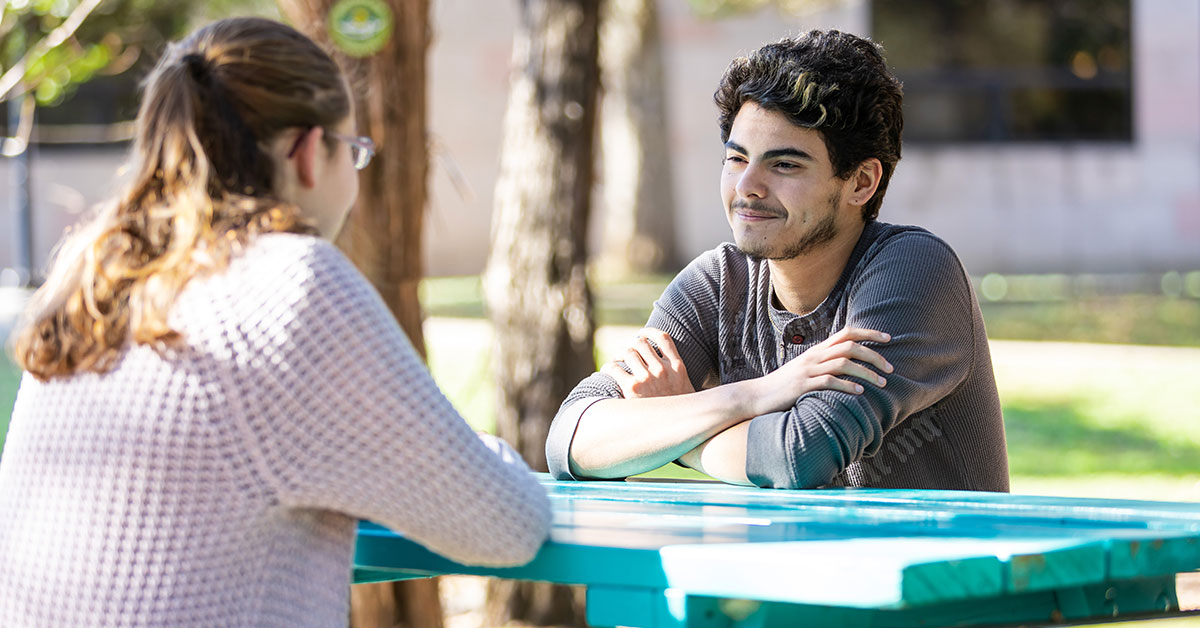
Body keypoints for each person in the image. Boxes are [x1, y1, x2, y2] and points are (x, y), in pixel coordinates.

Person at [0, 17, 550, 627]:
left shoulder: (92, 272)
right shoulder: (291, 282)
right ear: (309, 153)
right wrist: (474, 453)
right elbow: (507, 525)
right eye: (356, 152)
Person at [546, 30, 1009, 492]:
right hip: (790, 564)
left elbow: (797, 456)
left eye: (784, 165)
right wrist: (756, 394)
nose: (747, 185)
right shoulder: (716, 284)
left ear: (861, 182)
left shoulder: (914, 272)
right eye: (737, 158)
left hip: (935, 565)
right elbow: (570, 440)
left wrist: (678, 431)